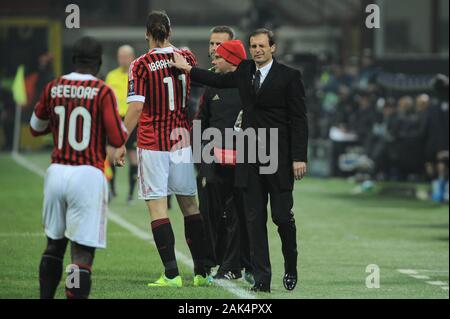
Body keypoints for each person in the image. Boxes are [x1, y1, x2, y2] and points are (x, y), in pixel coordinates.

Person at [170, 28, 308, 292]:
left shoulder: (290, 76)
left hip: (276, 157)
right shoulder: (244, 72)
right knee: (254, 220)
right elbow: (217, 80)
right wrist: (187, 68)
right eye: (253, 46)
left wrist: (299, 157)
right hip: (249, 157)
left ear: (273, 48)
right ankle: (262, 278)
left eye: (261, 46)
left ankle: (291, 264)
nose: (257, 50)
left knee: (280, 217)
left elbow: (300, 119)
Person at [114, 11, 212, 288]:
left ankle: (171, 274)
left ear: (147, 33)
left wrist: (120, 141)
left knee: (158, 207)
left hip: (153, 142)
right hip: (180, 139)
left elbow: (135, 108)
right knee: (190, 205)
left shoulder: (140, 65)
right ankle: (202, 271)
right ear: (169, 31)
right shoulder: (187, 57)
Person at [29, 36, 128, 299]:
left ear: (72, 60)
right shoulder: (103, 91)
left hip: (57, 173)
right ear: (99, 63)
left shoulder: (54, 86)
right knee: (81, 254)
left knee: (53, 246)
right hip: (87, 174)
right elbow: (117, 138)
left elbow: (35, 128)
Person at [196, 39, 253, 282]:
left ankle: (234, 266)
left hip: (243, 164)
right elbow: (201, 124)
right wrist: (203, 164)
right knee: (211, 215)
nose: (214, 60)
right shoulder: (212, 88)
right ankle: (211, 262)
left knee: (238, 218)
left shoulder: (251, 86)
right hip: (215, 165)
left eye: (218, 57)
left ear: (231, 60)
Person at [105, 45, 138, 204]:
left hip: (132, 119)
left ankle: (131, 194)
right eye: (121, 56)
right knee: (110, 155)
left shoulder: (137, 74)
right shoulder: (111, 76)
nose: (123, 59)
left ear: (132, 57)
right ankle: (111, 189)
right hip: (115, 120)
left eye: (126, 56)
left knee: (133, 156)